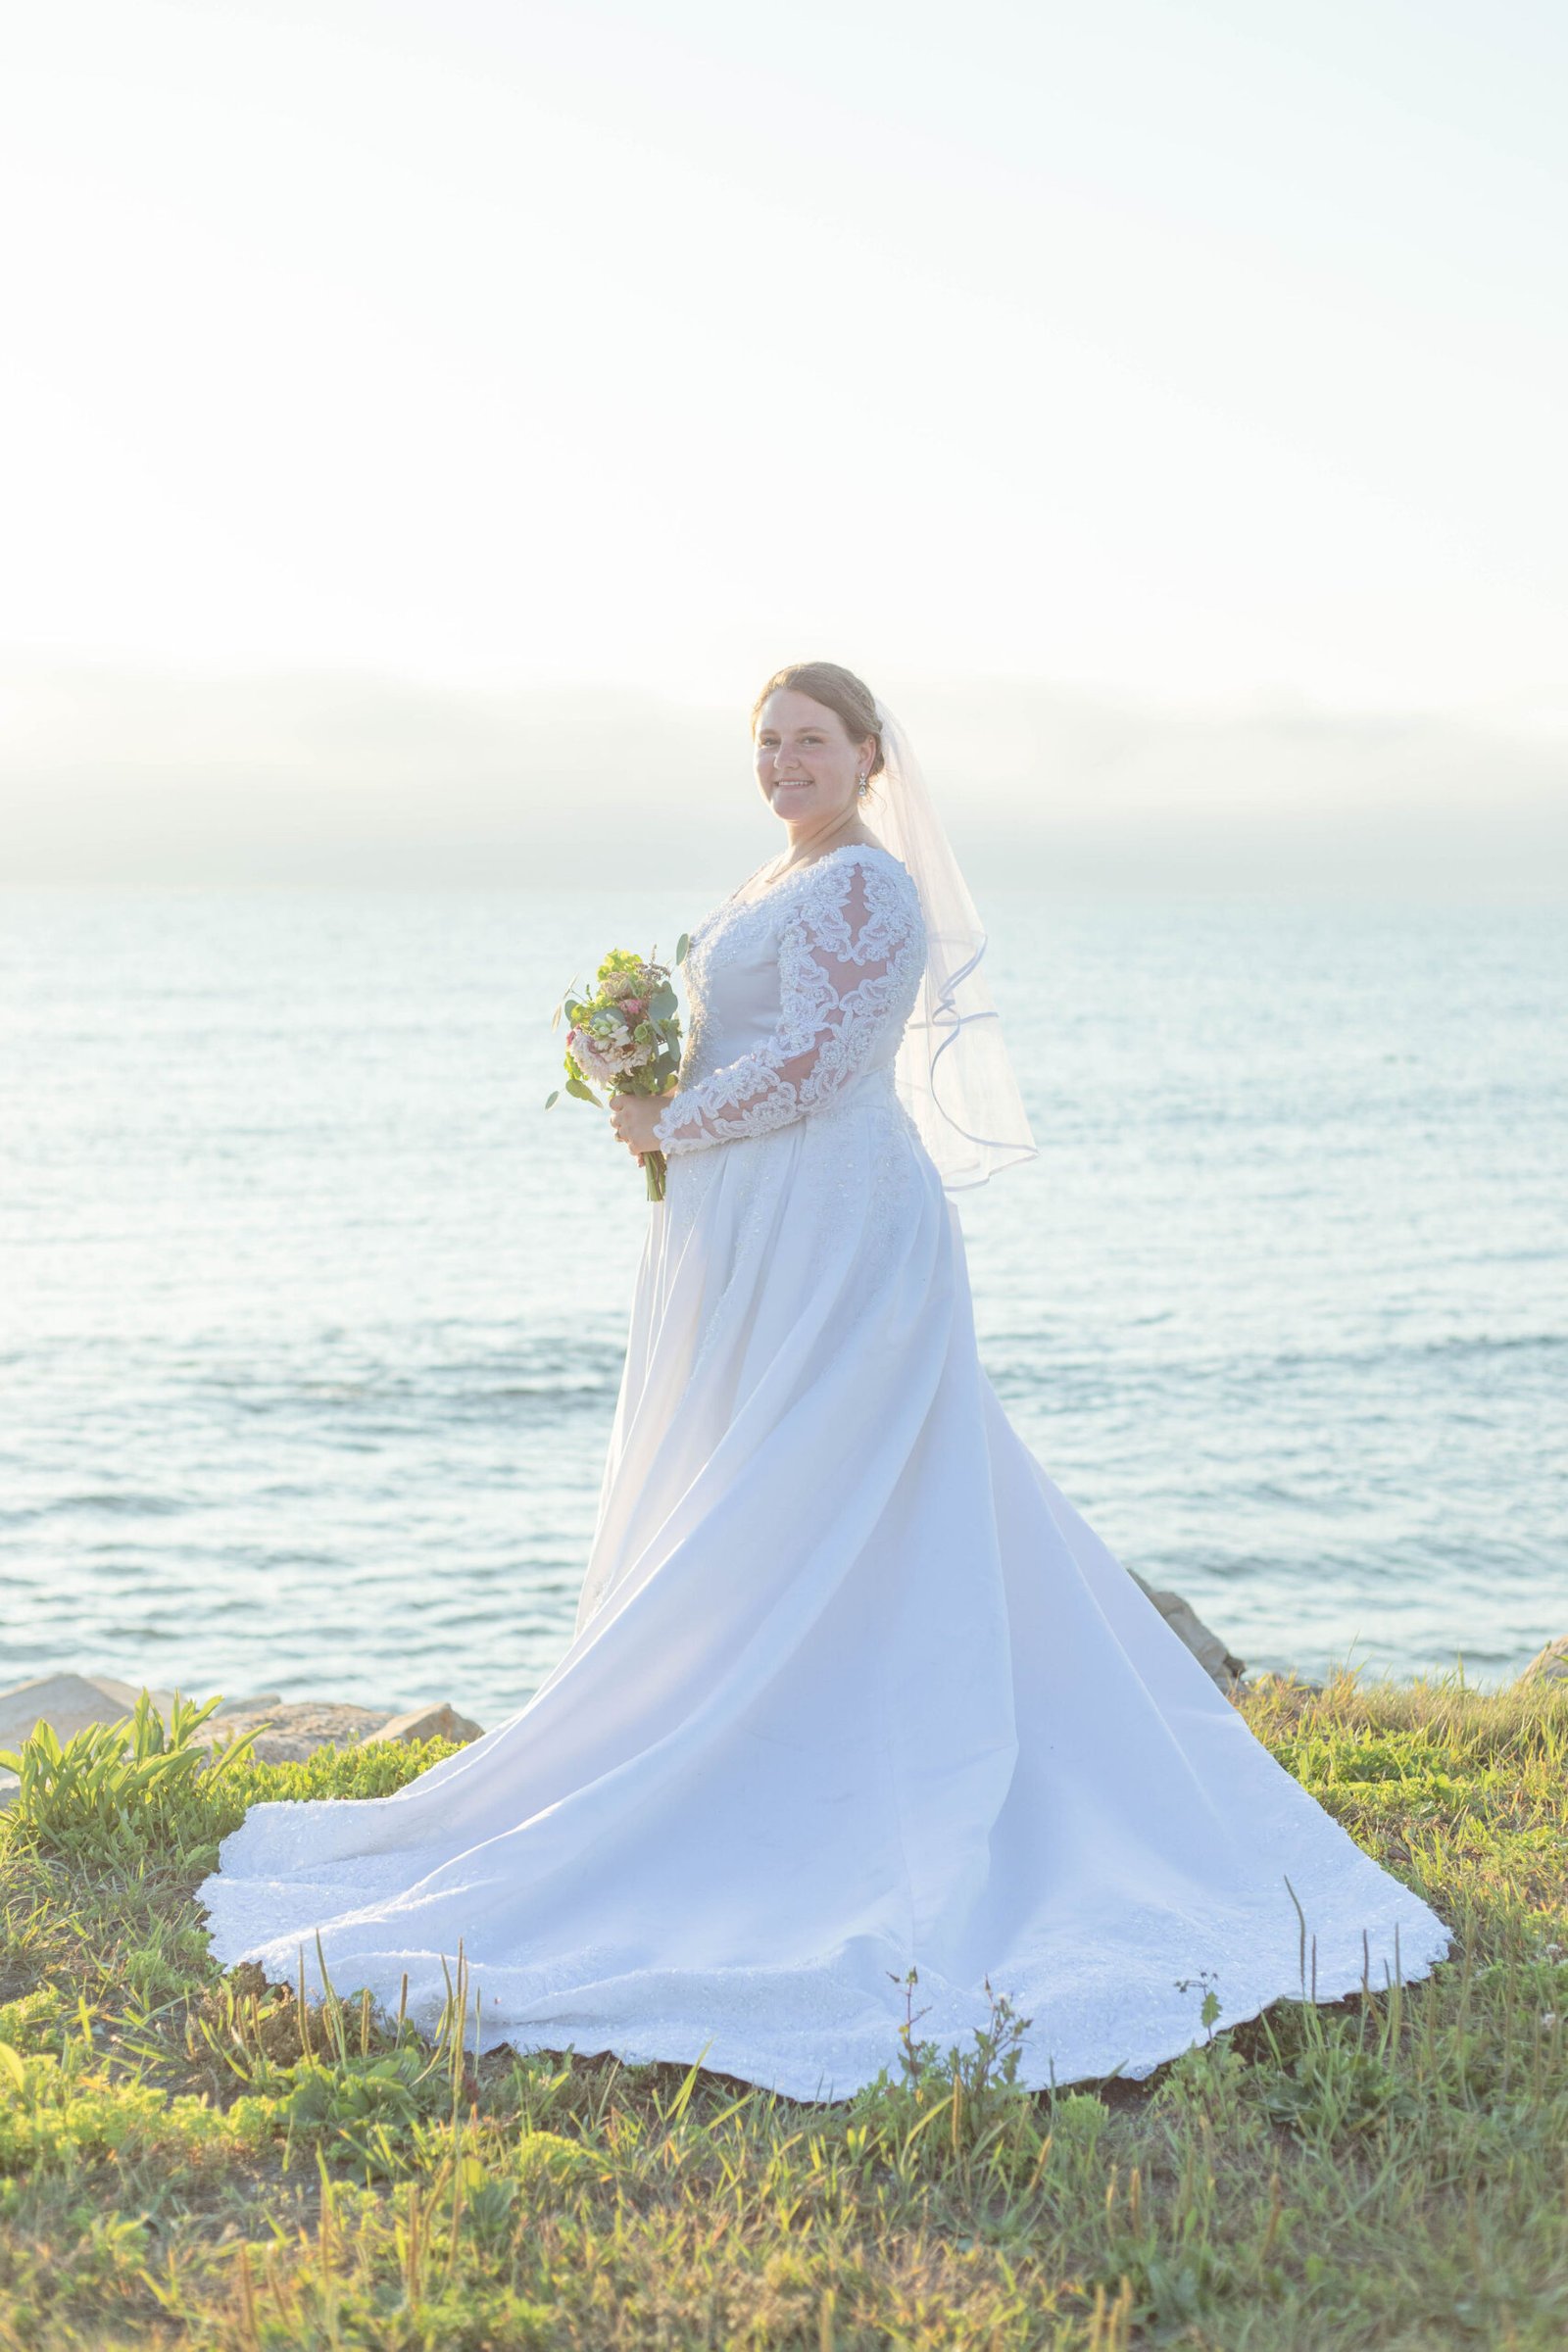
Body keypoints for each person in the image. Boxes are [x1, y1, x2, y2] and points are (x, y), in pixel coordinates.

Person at [195, 661, 1450, 2101]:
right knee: (749, 1483)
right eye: (768, 744)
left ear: (868, 756)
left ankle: (833, 1757)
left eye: (812, 742)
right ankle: (707, 1720)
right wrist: (632, 1079)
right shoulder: (773, 874)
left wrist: (672, 1112)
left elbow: (822, 1068)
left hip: (833, 1223)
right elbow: (748, 1039)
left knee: (817, 1485)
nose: (786, 763)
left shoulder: (867, 888)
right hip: (745, 1217)